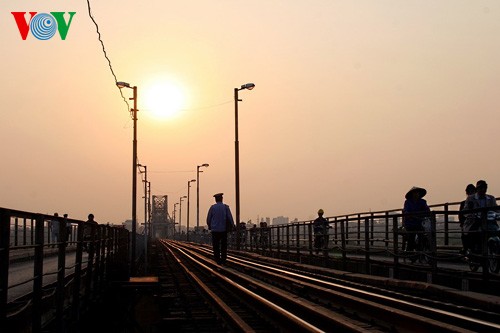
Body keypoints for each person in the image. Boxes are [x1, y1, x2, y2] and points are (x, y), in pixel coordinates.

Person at [462, 180, 498, 253]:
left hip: (489, 221)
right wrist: (471, 214)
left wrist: (497, 214)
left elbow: (496, 209)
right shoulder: (471, 198)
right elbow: (465, 211)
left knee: (497, 230)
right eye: (481, 188)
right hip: (475, 221)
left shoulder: (491, 198)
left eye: (484, 188)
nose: (483, 190)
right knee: (474, 234)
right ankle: (474, 250)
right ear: (477, 189)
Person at [206, 193, 235, 265]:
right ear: (222, 199)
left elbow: (208, 219)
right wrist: (232, 226)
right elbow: (230, 218)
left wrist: (210, 226)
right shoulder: (226, 207)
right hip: (223, 230)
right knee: (223, 246)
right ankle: (223, 260)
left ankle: (217, 260)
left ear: (215, 200)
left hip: (215, 230)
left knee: (216, 246)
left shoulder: (212, 208)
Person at [402, 186, 431, 256]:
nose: (416, 194)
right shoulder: (408, 202)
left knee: (422, 236)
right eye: (415, 193)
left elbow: (427, 210)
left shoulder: (423, 202)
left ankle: (421, 251)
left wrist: (427, 215)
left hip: (420, 222)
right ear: (412, 194)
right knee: (411, 238)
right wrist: (411, 215)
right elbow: (406, 211)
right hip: (410, 223)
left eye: (418, 193)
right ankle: (410, 252)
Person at [459, 184, 476, 254]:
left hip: (478, 221)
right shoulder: (464, 203)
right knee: (465, 233)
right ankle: (466, 248)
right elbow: (461, 215)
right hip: (469, 222)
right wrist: (462, 223)